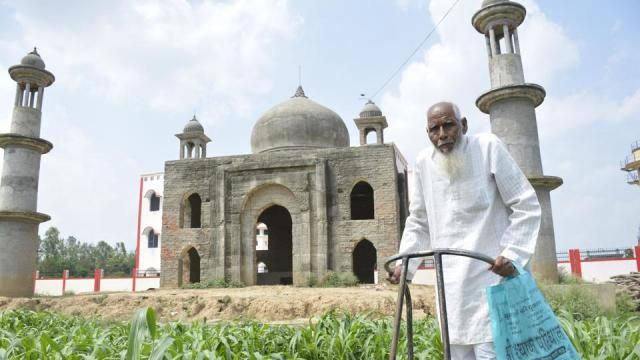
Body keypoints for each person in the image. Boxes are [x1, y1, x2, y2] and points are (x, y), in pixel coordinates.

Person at [387, 101, 541, 359]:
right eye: (434, 129)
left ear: (464, 125)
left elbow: (525, 203)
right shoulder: (424, 162)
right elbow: (419, 221)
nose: (442, 135)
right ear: (428, 134)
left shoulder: (487, 147)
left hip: (493, 280)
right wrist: (406, 265)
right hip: (452, 292)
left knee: (495, 351)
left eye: (449, 125)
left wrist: (512, 255)